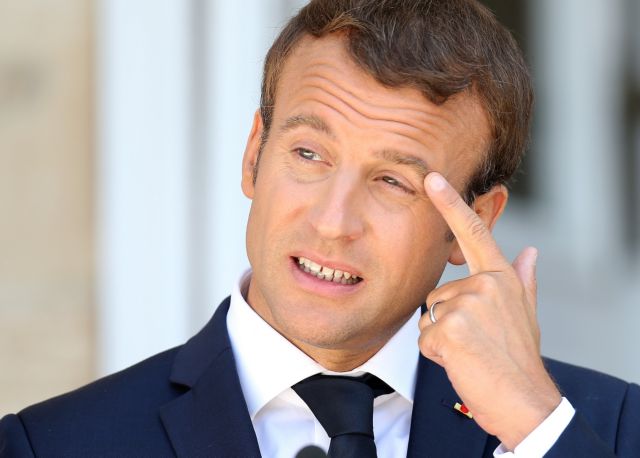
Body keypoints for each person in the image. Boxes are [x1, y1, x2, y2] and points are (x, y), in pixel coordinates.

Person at [1, 0, 639, 457]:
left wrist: (534, 426)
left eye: (394, 182)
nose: (333, 223)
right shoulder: (49, 445)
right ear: (254, 155)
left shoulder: (612, 430)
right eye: (309, 154)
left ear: (472, 224)